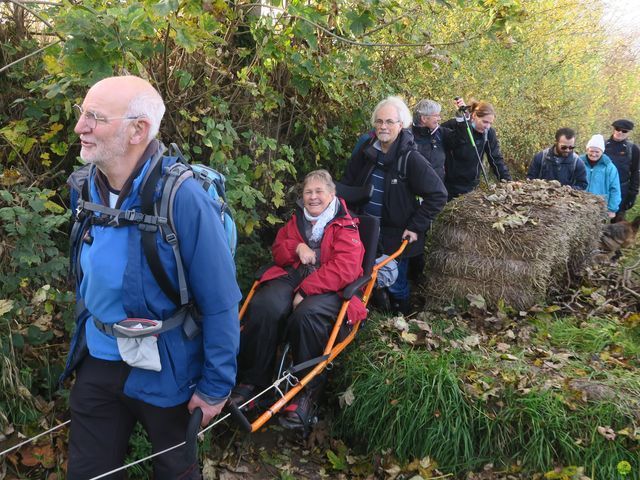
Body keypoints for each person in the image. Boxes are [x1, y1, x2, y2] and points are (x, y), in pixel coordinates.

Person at [63, 76, 240, 479]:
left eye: (95, 117)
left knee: (175, 470)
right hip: (101, 353)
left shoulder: (183, 198)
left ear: (137, 130)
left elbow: (221, 300)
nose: (80, 127)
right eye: (82, 113)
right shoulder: (83, 187)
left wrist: (215, 386)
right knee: (89, 471)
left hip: (169, 362)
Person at [230, 169, 366, 428]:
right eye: (308, 192)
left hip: (331, 285)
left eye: (319, 192)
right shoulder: (297, 220)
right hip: (294, 275)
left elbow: (345, 269)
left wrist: (306, 290)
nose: (313, 197)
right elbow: (279, 252)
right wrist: (296, 247)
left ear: (332, 194)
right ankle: (252, 381)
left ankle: (305, 393)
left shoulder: (346, 224)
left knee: (307, 315)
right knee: (265, 305)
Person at [341, 96, 448, 314]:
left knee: (396, 284)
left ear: (402, 124)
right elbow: (347, 185)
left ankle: (403, 319)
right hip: (364, 231)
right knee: (363, 277)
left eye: (390, 122)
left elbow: (438, 194)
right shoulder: (366, 152)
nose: (383, 126)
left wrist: (416, 226)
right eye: (379, 121)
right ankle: (371, 315)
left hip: (396, 236)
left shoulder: (410, 158)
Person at [442, 98, 512, 200]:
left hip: (471, 186)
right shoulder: (453, 125)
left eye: (490, 123)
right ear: (474, 116)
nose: (487, 126)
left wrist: (507, 181)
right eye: (485, 122)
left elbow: (496, 159)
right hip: (448, 184)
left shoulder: (489, 133)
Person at [604, 119, 639, 221]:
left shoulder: (632, 149)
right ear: (613, 129)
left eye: (624, 131)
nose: (620, 132)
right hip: (602, 188)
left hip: (622, 190)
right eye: (618, 129)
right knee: (597, 224)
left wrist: (632, 194)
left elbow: (636, 172)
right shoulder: (603, 145)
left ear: (629, 132)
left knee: (617, 225)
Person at [581, 134, 621, 218]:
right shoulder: (578, 163)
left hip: (600, 208)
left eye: (597, 152)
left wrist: (612, 209)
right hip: (579, 205)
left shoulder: (609, 168)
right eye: (591, 151)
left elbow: (615, 189)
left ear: (602, 152)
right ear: (587, 150)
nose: (594, 154)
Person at [411, 99, 451, 182]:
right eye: (436, 116)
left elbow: (462, 141)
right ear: (424, 119)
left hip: (438, 189)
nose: (439, 118)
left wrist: (462, 120)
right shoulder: (407, 136)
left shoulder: (441, 133)